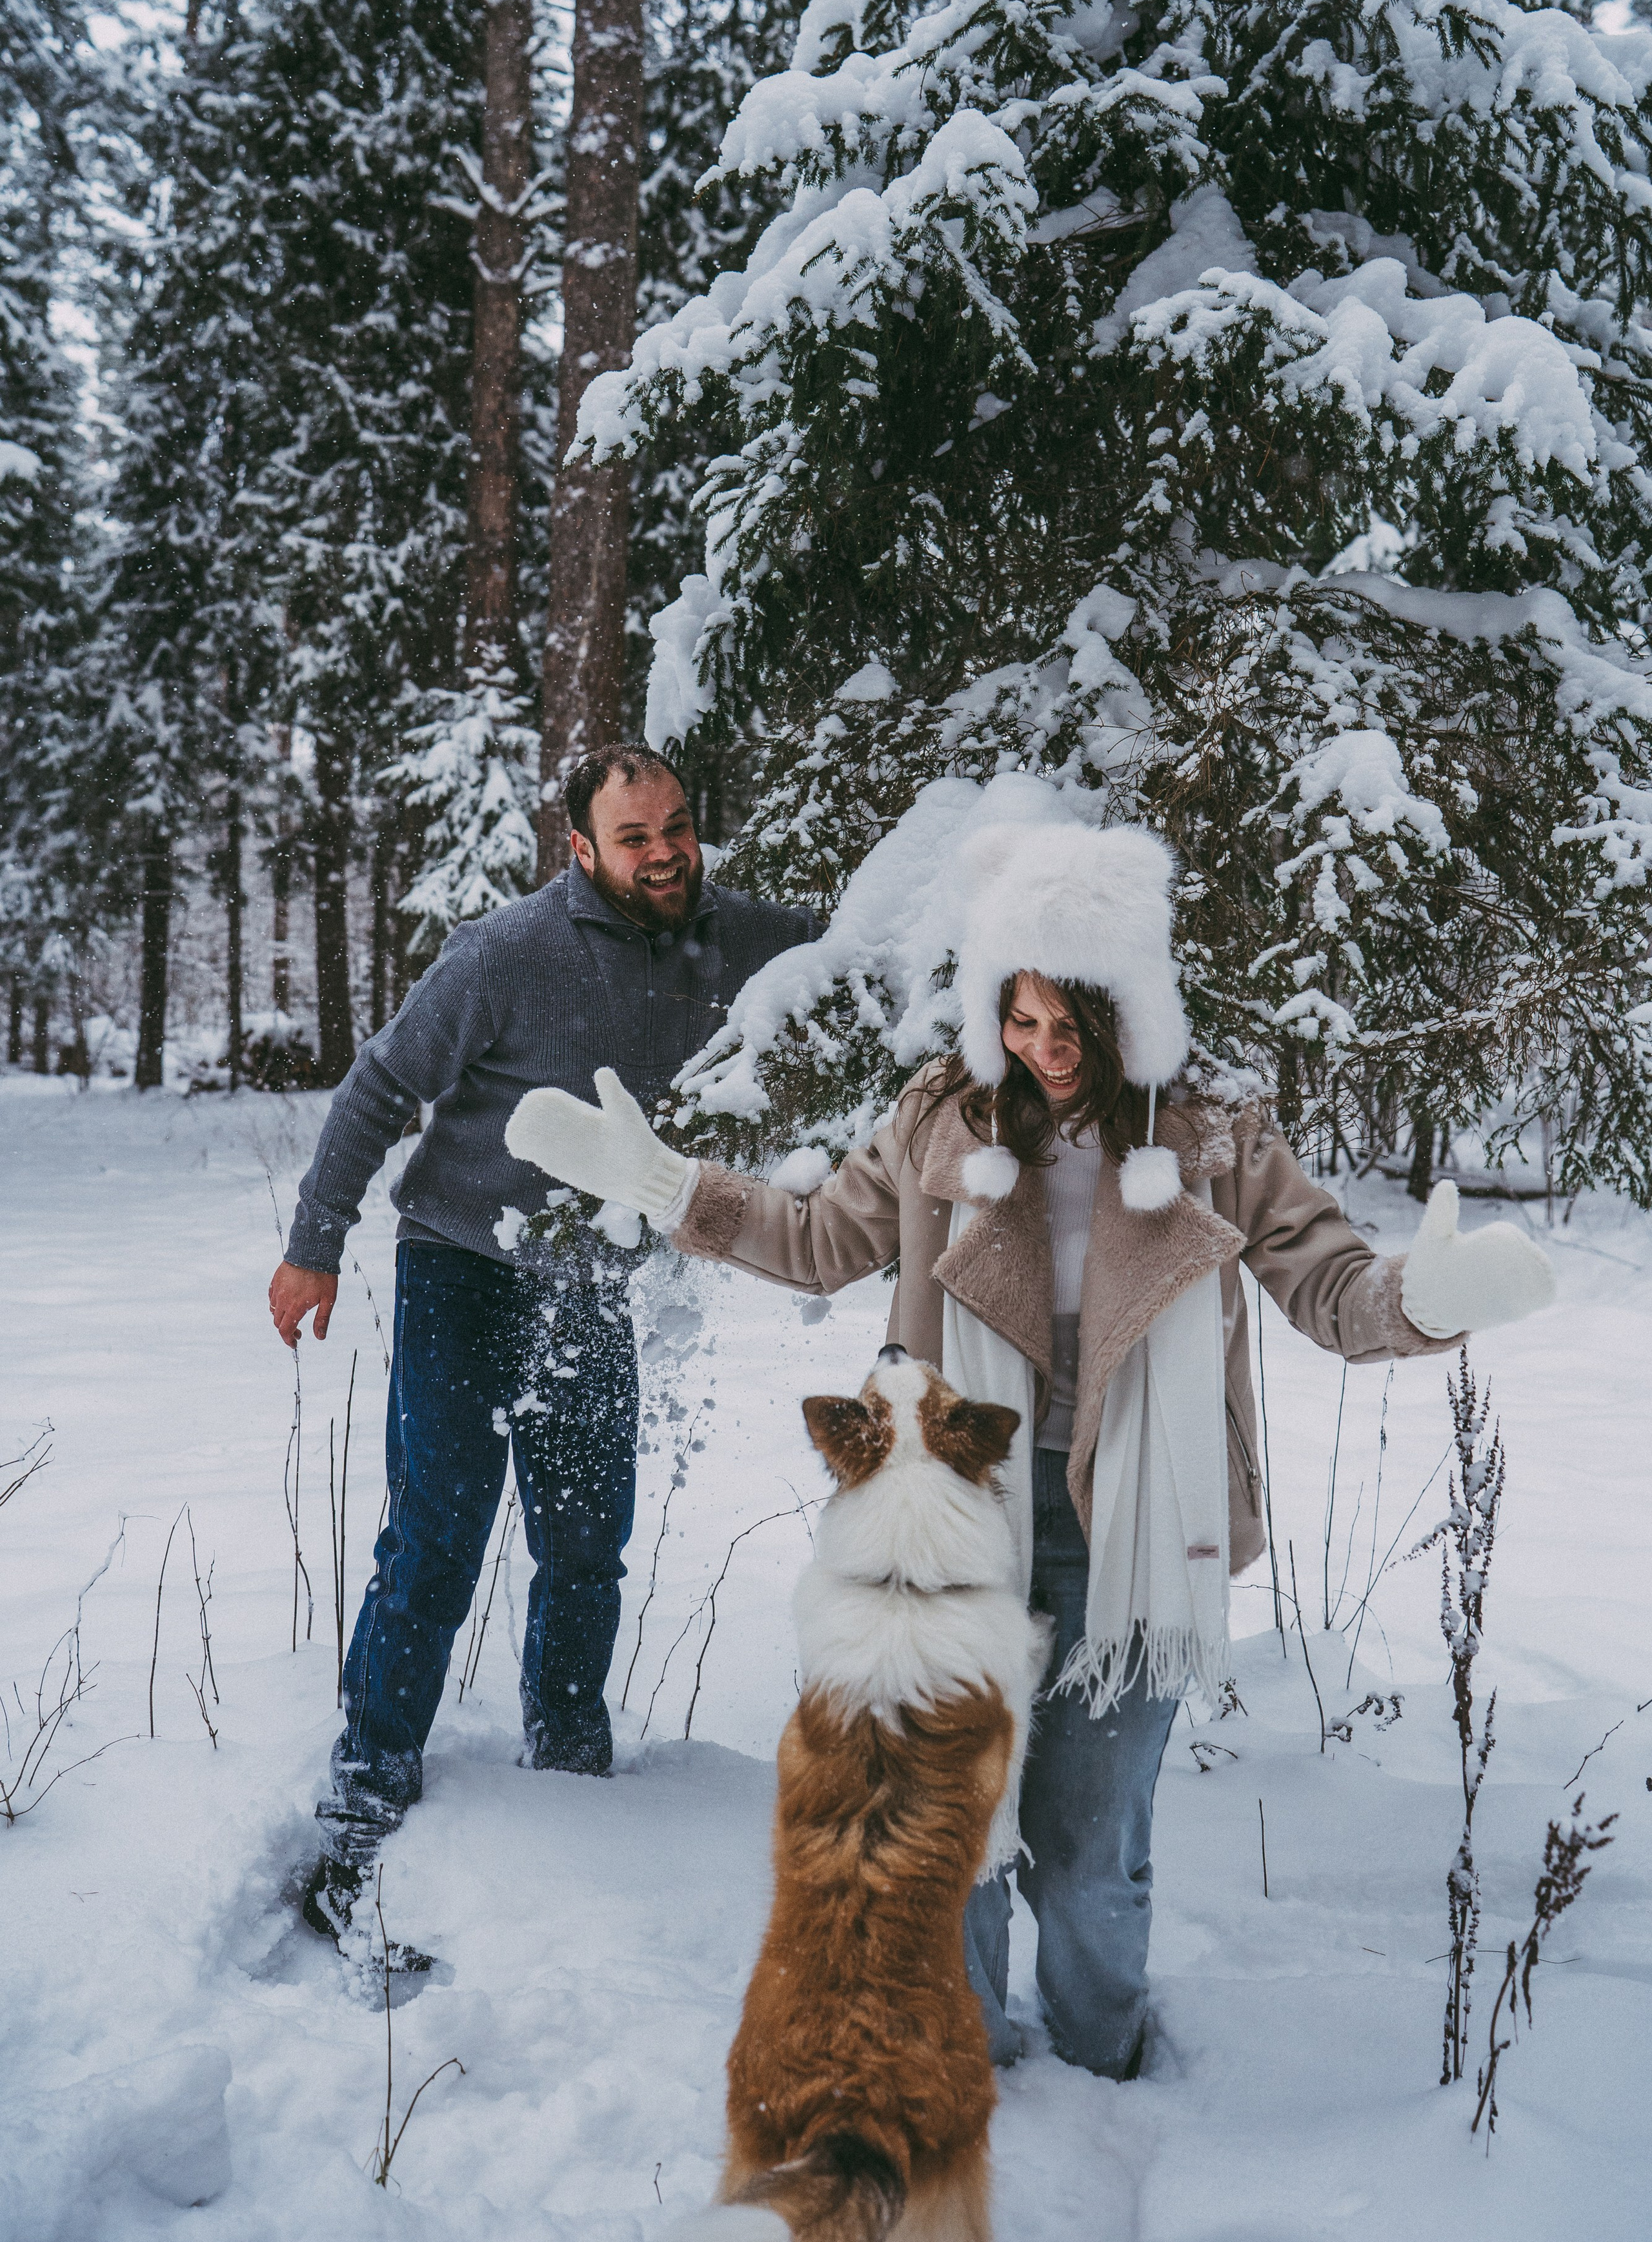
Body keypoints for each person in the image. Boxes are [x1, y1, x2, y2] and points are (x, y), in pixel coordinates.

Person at [503, 816, 1556, 2075]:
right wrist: (671, 1186)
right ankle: (975, 2067)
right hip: (955, 1523)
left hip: (1139, 1531)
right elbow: (816, 1241)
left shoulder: (1213, 1134)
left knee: (1090, 1840)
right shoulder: (935, 1124)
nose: (1045, 1053)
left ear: (1127, 1015)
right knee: (954, 1823)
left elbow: (1327, 1284)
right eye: (1022, 1021)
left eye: (1073, 1026)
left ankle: (1107, 2069)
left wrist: (1422, 1301)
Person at [268, 743, 816, 1951]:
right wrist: (314, 1240)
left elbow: (864, 960)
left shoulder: (735, 937)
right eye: (635, 838)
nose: (666, 851)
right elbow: (377, 1089)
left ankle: (567, 1763)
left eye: (677, 824)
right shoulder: (505, 952)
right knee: (438, 1534)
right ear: (580, 849)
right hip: (462, 1264)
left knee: (586, 1547)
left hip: (592, 1288)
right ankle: (368, 1782)